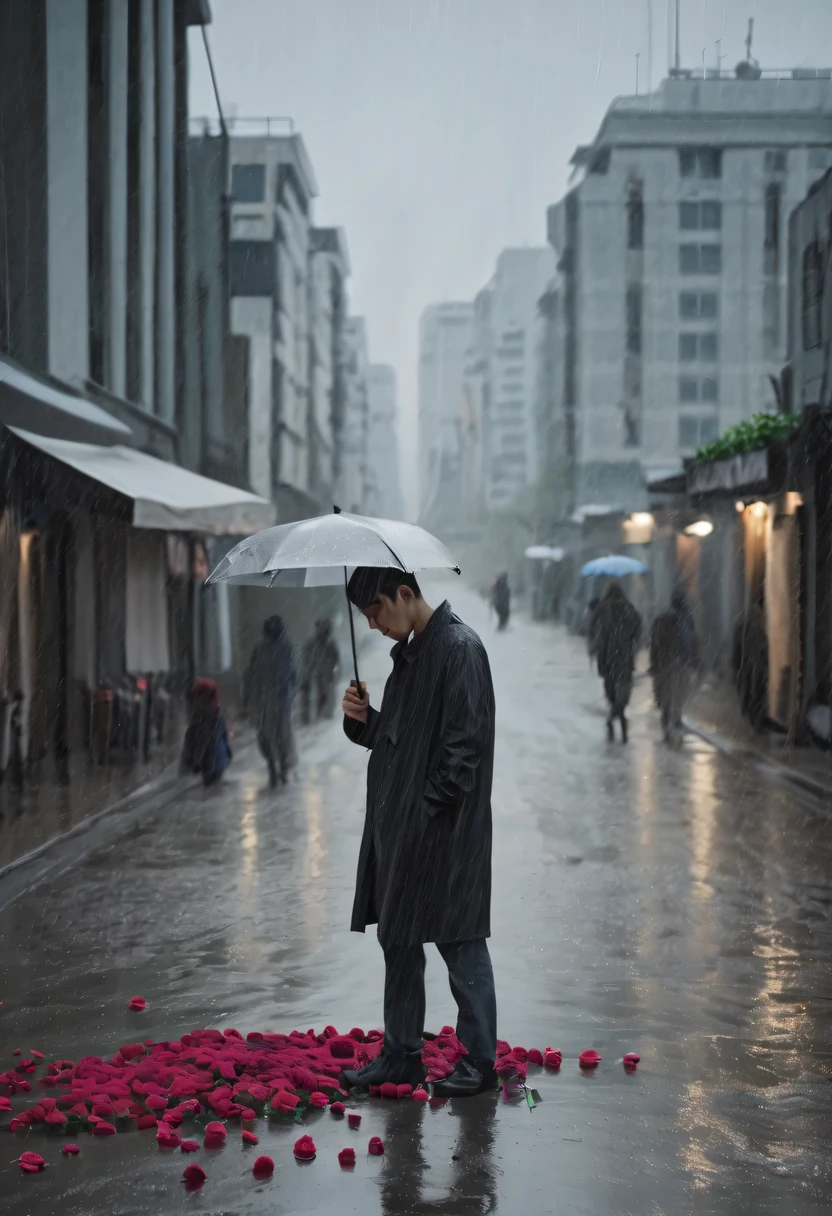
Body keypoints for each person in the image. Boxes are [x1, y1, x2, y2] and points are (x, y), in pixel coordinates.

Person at [340, 567, 497, 1098]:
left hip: (448, 835)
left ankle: (479, 1060)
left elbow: (462, 753)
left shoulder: (460, 649)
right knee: (400, 941)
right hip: (406, 831)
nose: (374, 624)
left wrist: (421, 810)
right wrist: (365, 721)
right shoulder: (408, 657)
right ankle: (401, 1054)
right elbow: (402, 743)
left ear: (405, 594)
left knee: (460, 944)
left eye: (376, 611)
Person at [244, 615, 298, 787]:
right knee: (266, 735)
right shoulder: (260, 647)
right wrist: (249, 696)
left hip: (282, 697)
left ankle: (281, 766)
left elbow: (293, 672)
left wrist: (292, 690)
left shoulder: (286, 646)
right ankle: (272, 766)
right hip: (265, 697)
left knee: (282, 734)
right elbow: (252, 673)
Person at [590, 583, 642, 743]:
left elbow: (593, 630)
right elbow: (638, 631)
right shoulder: (629, 610)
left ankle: (613, 716)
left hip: (607, 659)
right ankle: (619, 717)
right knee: (623, 692)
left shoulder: (602, 610)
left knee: (611, 691)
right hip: (624, 658)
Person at [649, 588, 699, 744]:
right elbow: (690, 642)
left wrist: (655, 662)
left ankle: (669, 719)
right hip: (679, 662)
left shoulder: (662, 620)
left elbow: (654, 643)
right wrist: (692, 660)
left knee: (667, 692)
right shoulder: (685, 619)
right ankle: (674, 718)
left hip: (666, 662)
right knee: (678, 692)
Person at [181, 678, 232, 786]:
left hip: (213, 762)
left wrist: (194, 762)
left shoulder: (213, 717)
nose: (195, 701)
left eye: (198, 697)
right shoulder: (202, 716)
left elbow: (207, 740)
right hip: (212, 762)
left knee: (211, 785)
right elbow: (191, 740)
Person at [732, 598, 768, 731]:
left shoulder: (756, 630)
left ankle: (755, 720)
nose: (759, 617)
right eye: (756, 615)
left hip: (755, 669)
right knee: (752, 694)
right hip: (749, 668)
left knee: (756, 694)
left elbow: (764, 649)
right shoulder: (745, 629)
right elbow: (738, 649)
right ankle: (753, 720)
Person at [300, 617, 340, 723]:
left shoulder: (327, 643)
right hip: (320, 674)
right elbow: (335, 659)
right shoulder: (318, 642)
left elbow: (336, 659)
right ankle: (320, 717)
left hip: (323, 674)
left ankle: (322, 718)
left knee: (323, 697)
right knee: (320, 696)